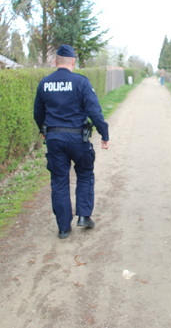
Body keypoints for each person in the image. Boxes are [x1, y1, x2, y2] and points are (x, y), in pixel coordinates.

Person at [34, 44, 110, 239]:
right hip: (78, 138)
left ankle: (63, 227)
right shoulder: (80, 82)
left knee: (59, 181)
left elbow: (38, 113)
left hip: (54, 138)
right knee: (84, 173)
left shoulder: (44, 83)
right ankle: (84, 216)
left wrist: (43, 131)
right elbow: (94, 111)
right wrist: (104, 134)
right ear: (73, 62)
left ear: (55, 62)